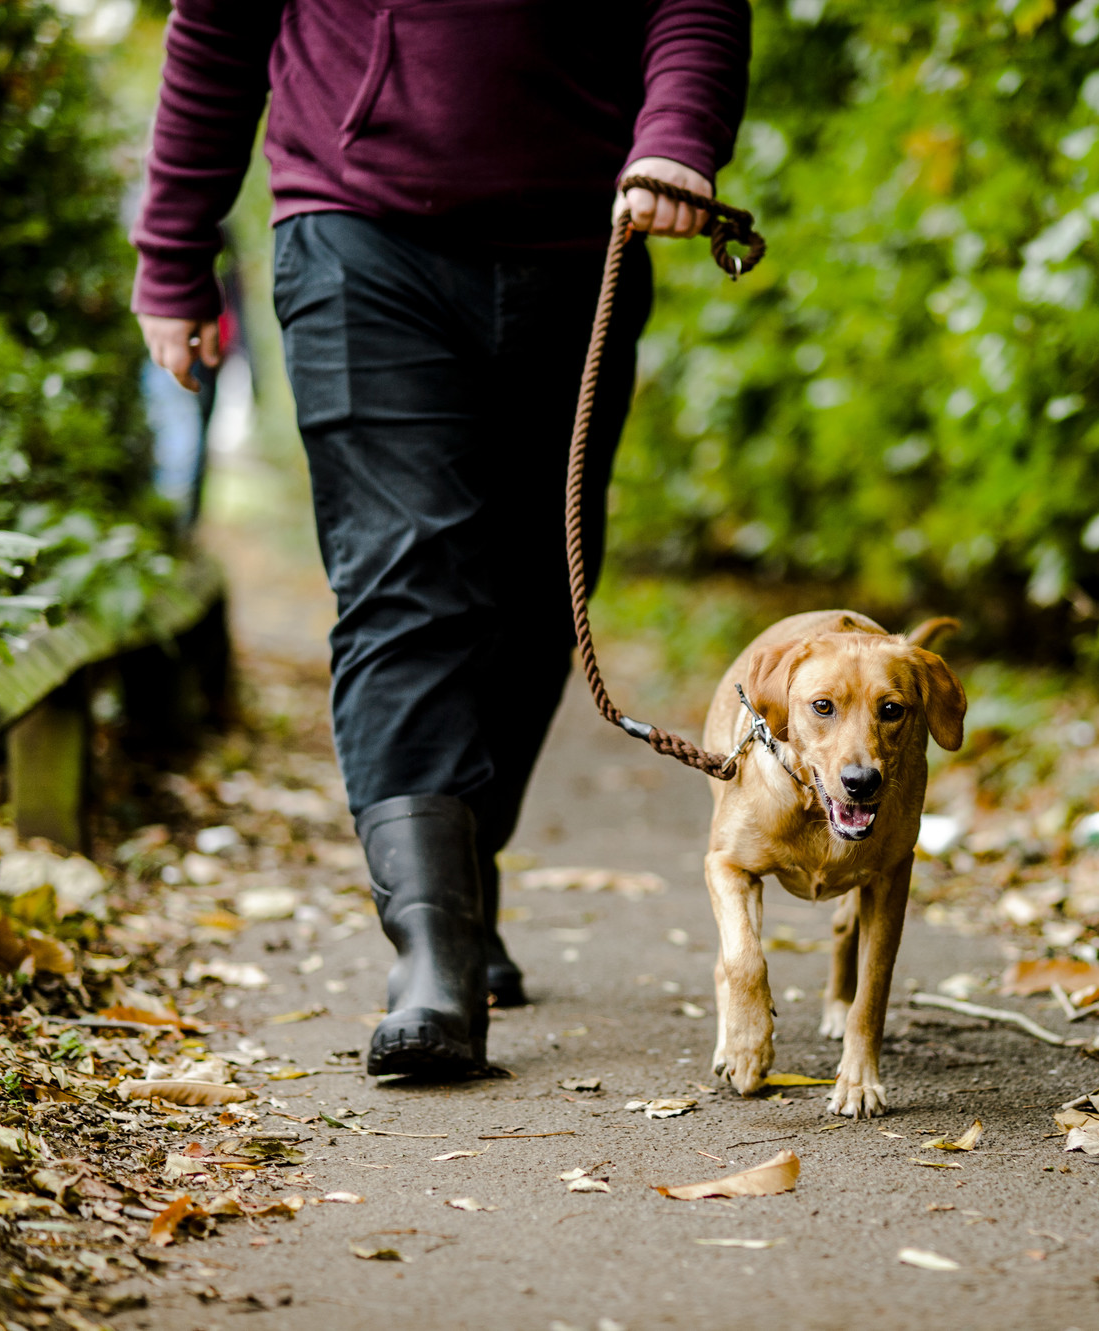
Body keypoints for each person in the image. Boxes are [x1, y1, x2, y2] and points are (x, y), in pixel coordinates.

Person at [129, 0, 751, 1078]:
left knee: (534, 594)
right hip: (354, 236)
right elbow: (217, 28)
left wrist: (674, 139)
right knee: (407, 577)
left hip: (578, 244)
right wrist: (173, 251)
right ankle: (432, 957)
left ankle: (459, 866)